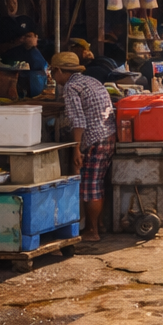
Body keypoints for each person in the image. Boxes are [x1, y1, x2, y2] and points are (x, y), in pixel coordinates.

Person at [50, 52, 115, 242]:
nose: (54, 78)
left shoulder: (71, 87)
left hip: (95, 139)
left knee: (91, 186)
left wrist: (76, 149)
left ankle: (92, 231)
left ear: (59, 70)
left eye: (54, 73)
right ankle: (99, 225)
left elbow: (78, 121)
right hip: (108, 135)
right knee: (98, 183)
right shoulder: (92, 81)